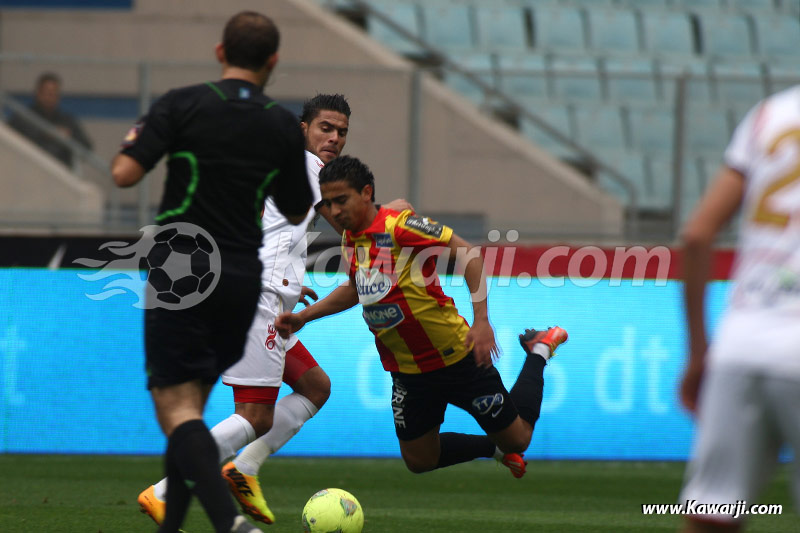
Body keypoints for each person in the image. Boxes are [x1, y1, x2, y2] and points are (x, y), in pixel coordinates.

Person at [138, 94, 413, 526]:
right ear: (303, 128)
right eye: (326, 128)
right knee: (255, 414)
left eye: (341, 131)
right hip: (258, 298)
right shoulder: (309, 169)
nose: (334, 138)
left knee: (315, 387)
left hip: (264, 290)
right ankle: (165, 491)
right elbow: (359, 218)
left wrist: (288, 275)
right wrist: (394, 212)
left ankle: (242, 469)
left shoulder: (281, 167)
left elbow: (266, 226)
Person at [111, 11, 313, 533]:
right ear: (273, 62)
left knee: (177, 414)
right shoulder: (281, 125)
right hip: (243, 277)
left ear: (220, 52)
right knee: (194, 417)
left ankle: (228, 526)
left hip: (184, 268)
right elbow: (295, 210)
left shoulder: (182, 103)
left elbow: (124, 173)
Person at [275, 155, 568, 479]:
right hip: (408, 372)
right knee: (419, 459)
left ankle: (539, 349)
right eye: (328, 204)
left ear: (367, 193)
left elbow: (467, 253)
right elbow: (356, 288)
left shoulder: (398, 226)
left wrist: (482, 320)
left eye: (341, 200)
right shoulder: (350, 240)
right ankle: (493, 449)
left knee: (519, 438)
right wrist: (304, 317)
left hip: (456, 358)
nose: (335, 211)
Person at [678, 85, 800, 532]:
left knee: (711, 516)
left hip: (742, 341)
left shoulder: (771, 115)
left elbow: (696, 235)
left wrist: (698, 352)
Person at [7, 71, 93, 166]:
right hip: (29, 170)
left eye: (53, 93)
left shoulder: (67, 121)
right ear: (38, 93)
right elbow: (9, 140)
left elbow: (87, 148)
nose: (50, 97)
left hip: (60, 172)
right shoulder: (23, 117)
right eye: (47, 93)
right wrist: (46, 134)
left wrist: (69, 138)